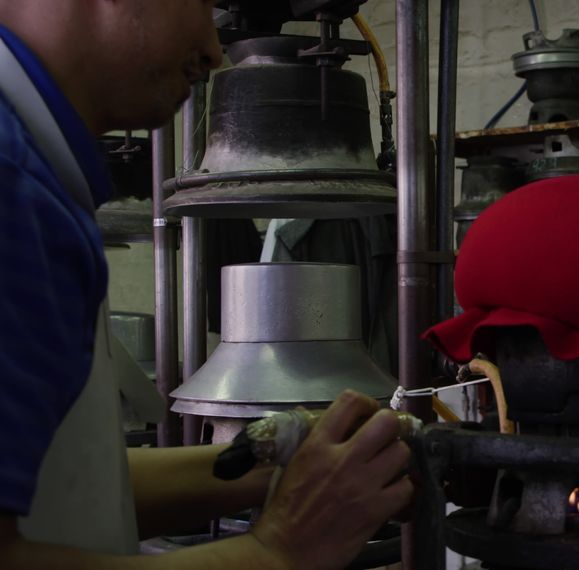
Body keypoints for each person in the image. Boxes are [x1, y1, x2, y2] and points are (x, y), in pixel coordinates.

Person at [0, 1, 413, 568]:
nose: (214, 49)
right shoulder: (9, 188)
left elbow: (66, 485)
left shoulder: (29, 173)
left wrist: (277, 464)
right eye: (199, 2)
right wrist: (279, 551)